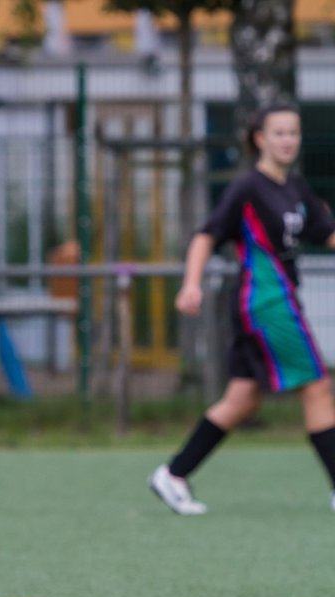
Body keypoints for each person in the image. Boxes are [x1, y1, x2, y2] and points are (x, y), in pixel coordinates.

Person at [149, 104, 335, 515]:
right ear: (260, 139)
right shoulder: (248, 188)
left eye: (293, 133)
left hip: (276, 302)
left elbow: (327, 235)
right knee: (318, 387)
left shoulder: (296, 189)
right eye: (279, 133)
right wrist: (191, 284)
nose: (288, 140)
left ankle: (173, 474)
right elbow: (205, 236)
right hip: (266, 303)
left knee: (243, 399)